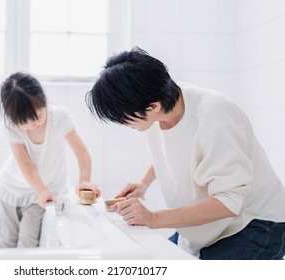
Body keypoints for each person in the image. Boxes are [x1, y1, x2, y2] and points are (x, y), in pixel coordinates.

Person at [85, 47, 285, 260]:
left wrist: (153, 218)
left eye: (123, 118)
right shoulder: (160, 105)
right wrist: (144, 183)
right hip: (207, 230)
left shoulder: (215, 117)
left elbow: (228, 202)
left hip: (253, 225)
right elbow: (174, 149)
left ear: (152, 107)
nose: (120, 123)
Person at [0, 72, 100, 248]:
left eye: (38, 116)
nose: (34, 124)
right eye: (24, 122)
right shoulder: (10, 127)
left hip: (41, 193)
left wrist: (84, 181)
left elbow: (81, 153)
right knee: (5, 241)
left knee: (27, 241)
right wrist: (41, 189)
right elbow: (26, 165)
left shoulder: (58, 118)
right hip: (14, 187)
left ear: (45, 100)